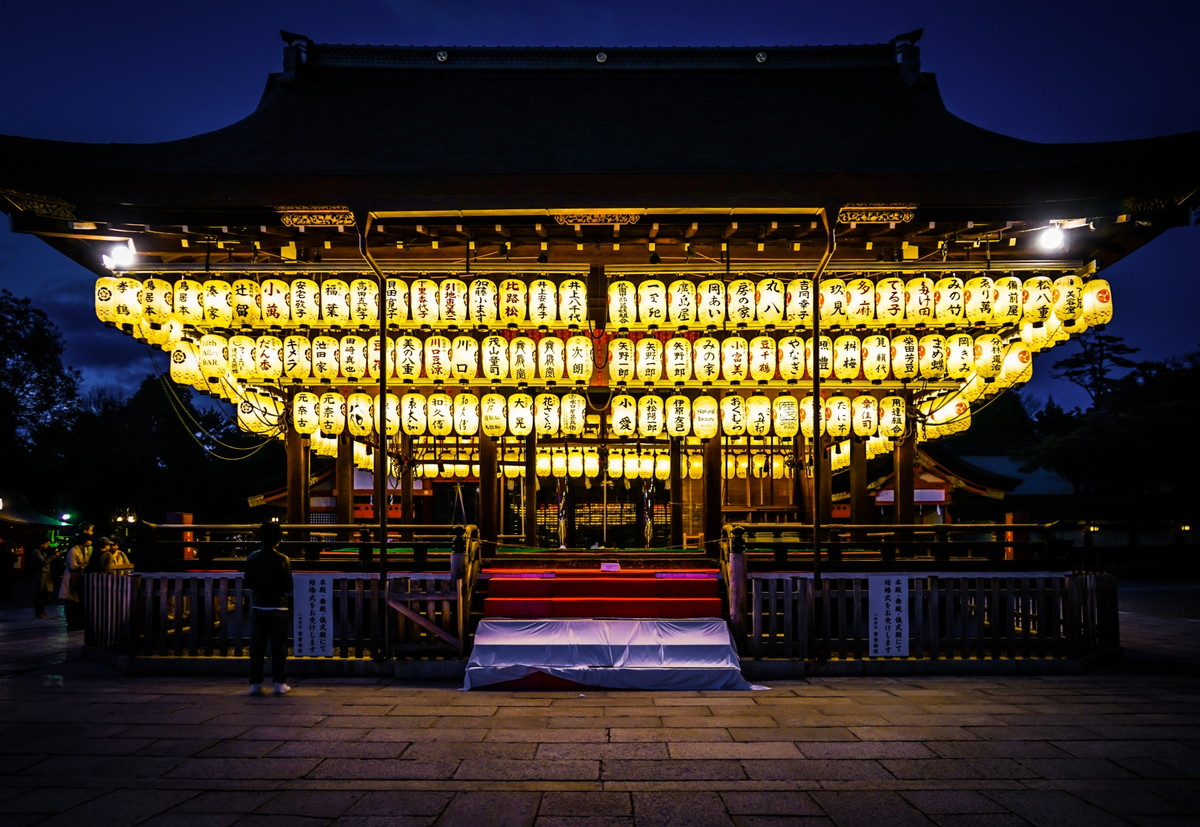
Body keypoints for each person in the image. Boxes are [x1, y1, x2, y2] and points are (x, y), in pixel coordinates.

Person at [243, 521, 293, 696]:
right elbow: (288, 586)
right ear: (278, 539)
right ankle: (279, 682)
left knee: (257, 647)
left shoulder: (252, 558)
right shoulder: (283, 560)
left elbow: (247, 582)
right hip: (278, 608)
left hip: (258, 606)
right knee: (279, 647)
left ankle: (255, 683)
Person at [58, 533, 93, 630]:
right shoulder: (73, 551)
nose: (90, 542)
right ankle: (71, 622)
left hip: (79, 577)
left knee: (77, 601)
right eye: (89, 540)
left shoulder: (85, 550)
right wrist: (82, 566)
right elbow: (73, 566)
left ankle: (77, 622)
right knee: (71, 601)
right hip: (72, 578)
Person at [30, 534, 60, 619]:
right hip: (41, 576)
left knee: (43, 595)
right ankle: (39, 613)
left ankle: (42, 612)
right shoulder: (36, 552)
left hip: (45, 576)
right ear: (41, 544)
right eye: (46, 544)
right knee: (40, 595)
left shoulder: (43, 552)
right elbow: (43, 562)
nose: (48, 546)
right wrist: (53, 556)